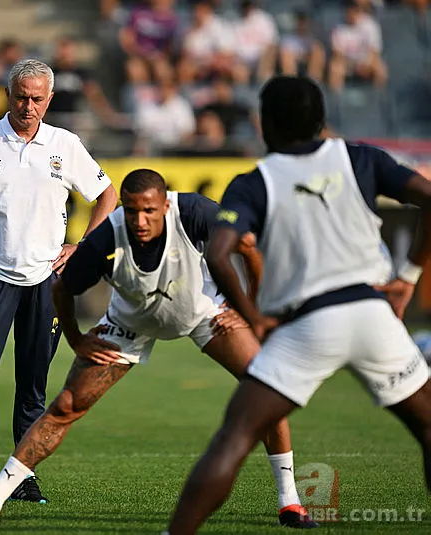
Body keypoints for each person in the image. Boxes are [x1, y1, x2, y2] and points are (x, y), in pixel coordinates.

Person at [0, 169, 314, 529]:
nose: (140, 220)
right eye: (132, 210)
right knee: (67, 406)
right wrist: (76, 339)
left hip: (203, 313)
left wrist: (249, 309)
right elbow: (63, 289)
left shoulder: (195, 212)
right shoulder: (106, 236)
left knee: (265, 388)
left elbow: (246, 246)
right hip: (130, 323)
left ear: (165, 205)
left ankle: (289, 502)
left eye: (149, 210)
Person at [165, 75, 431, 535]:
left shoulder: (255, 182)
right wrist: (407, 277)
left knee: (235, 437)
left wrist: (253, 318)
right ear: (321, 119)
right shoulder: (362, 158)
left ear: (266, 124)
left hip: (307, 326)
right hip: (373, 315)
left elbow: (219, 254)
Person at [0, 58, 118, 500]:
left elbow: (107, 194)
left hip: (47, 281)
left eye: (36, 99)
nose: (28, 106)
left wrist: (82, 246)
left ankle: (21, 478)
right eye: (20, 97)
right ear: (7, 95)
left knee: (33, 385)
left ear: (49, 100)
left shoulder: (65, 144)